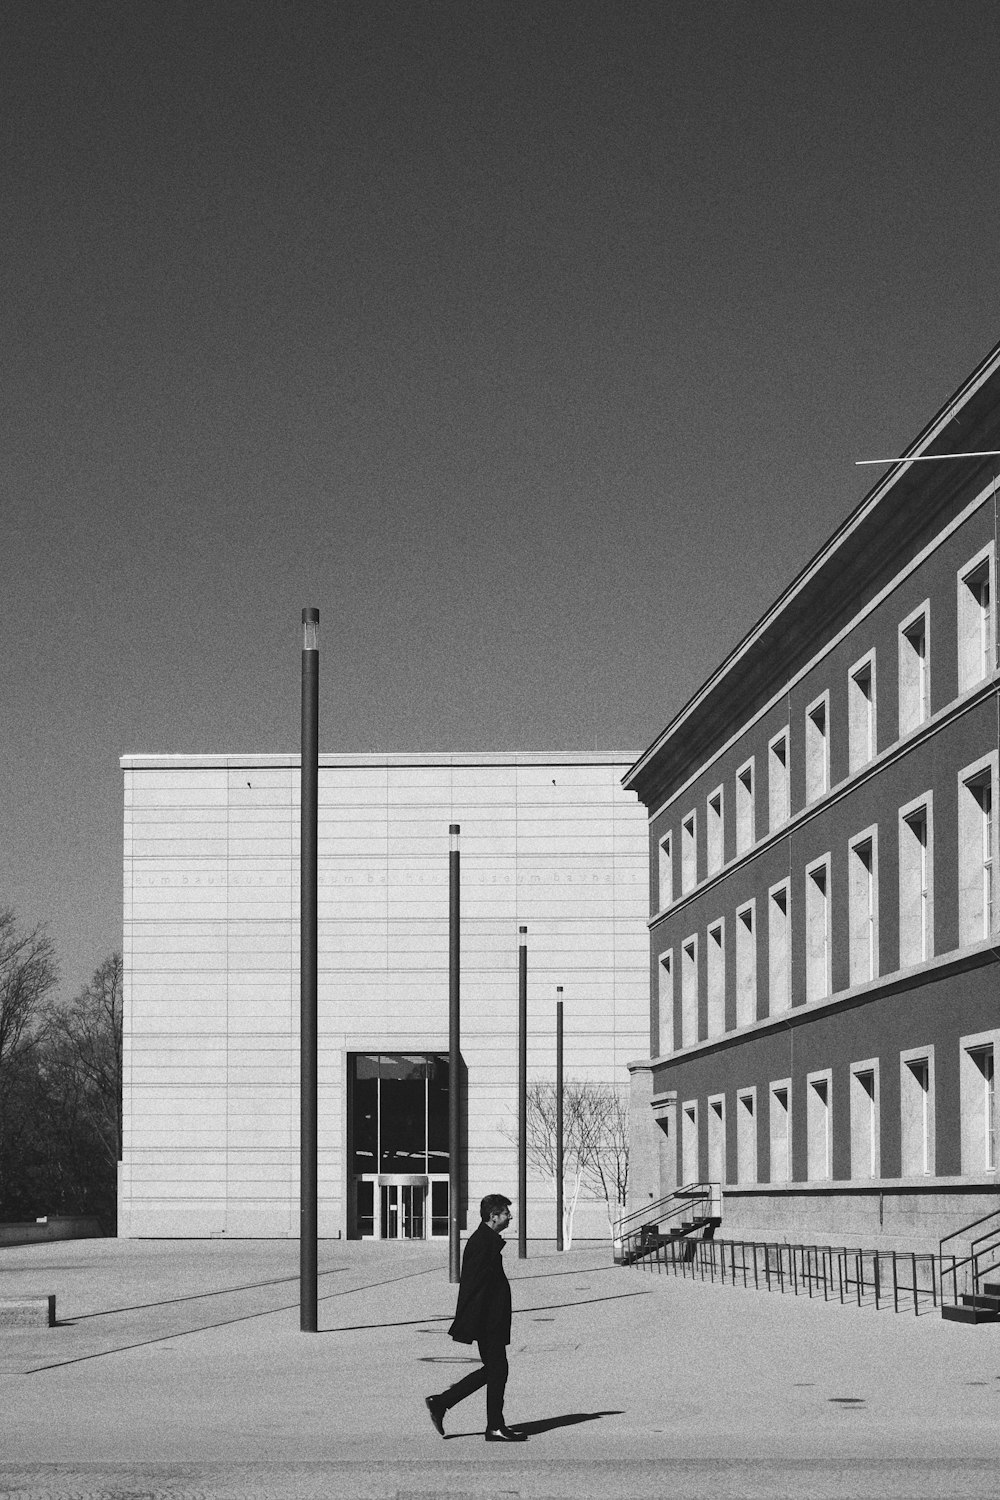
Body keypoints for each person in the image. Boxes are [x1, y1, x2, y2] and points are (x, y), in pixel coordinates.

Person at [425, 1193, 527, 1442]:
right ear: (493, 1217)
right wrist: (473, 1324)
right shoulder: (482, 1243)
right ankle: (490, 1424)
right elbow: (472, 1287)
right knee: (497, 1369)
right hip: (487, 1321)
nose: (510, 1217)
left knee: (496, 1370)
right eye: (505, 1213)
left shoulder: (487, 1240)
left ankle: (444, 1403)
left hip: (491, 1319)